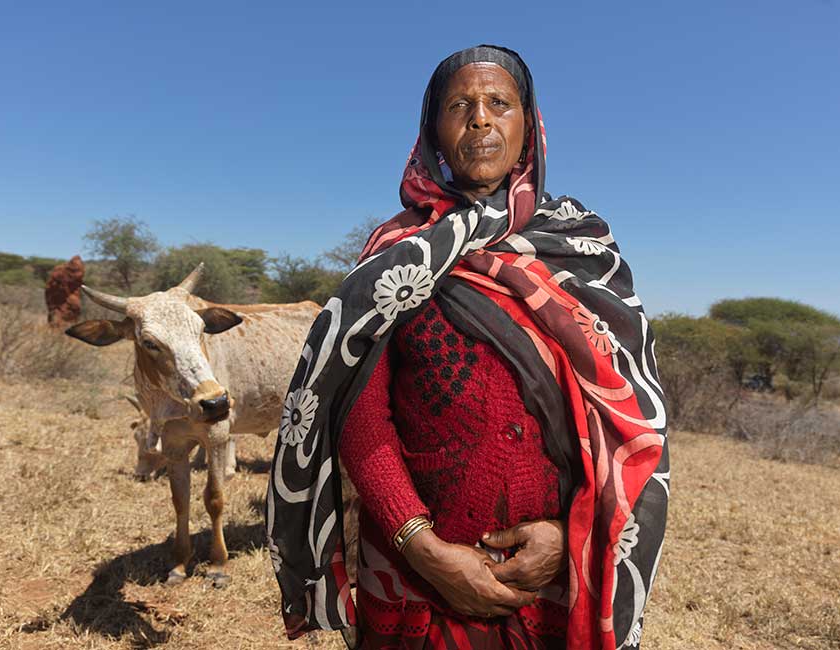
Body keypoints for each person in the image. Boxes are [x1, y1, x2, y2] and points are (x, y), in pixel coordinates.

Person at [266, 45, 669, 650]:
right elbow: (359, 415)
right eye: (460, 105)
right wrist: (422, 547)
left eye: (499, 103)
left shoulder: (583, 250)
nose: (480, 119)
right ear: (433, 132)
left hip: (551, 582)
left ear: (528, 127)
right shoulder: (398, 255)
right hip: (417, 583)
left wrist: (569, 535)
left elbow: (628, 421)